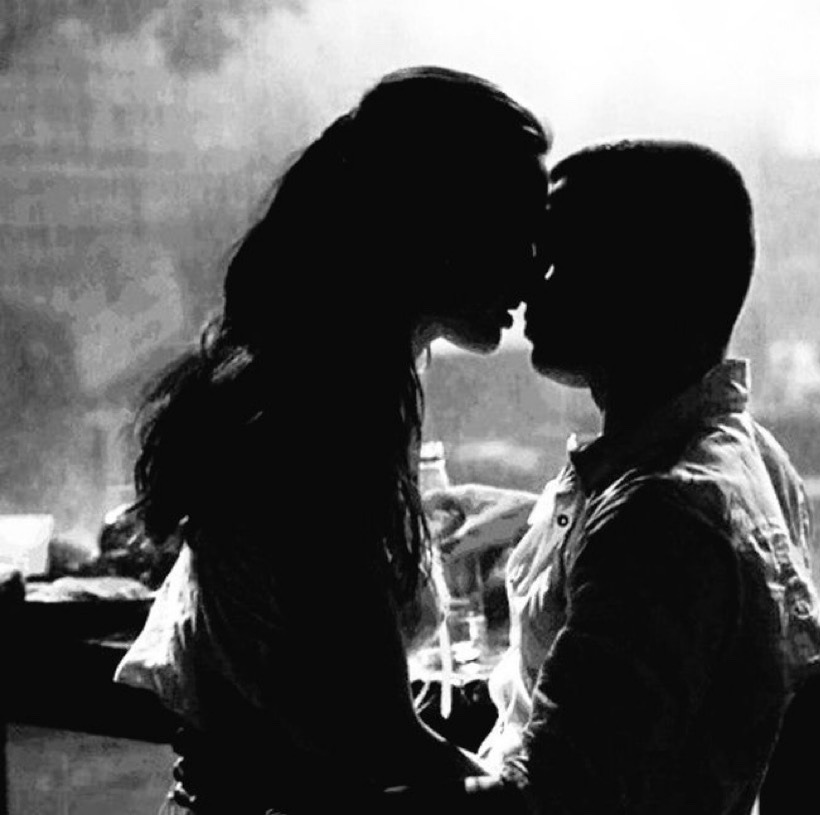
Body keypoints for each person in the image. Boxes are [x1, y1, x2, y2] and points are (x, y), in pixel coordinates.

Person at [113, 66, 550, 814]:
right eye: (518, 230)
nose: (536, 265)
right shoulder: (313, 433)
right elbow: (377, 740)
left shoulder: (332, 396)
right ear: (437, 232)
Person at [381, 139, 820, 815]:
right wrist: (539, 525)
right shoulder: (746, 455)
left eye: (563, 258)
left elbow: (549, 799)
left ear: (648, 285)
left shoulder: (659, 522)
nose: (531, 283)